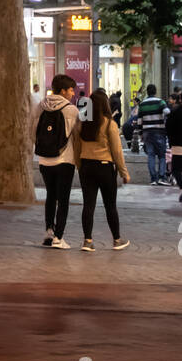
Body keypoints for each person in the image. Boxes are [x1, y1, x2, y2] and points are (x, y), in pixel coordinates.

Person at [74, 87, 131, 252]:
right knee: (110, 206)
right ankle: (117, 240)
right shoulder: (109, 124)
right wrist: (124, 173)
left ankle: (87, 241)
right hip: (105, 168)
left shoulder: (83, 123)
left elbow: (76, 146)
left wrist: (79, 165)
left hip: (86, 166)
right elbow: (117, 151)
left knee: (88, 205)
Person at [31, 74, 80, 248]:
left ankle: (49, 232)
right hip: (64, 159)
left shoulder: (40, 107)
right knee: (63, 199)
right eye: (71, 89)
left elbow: (33, 131)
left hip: (44, 160)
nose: (73, 93)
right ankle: (59, 237)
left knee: (51, 195)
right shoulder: (72, 110)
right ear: (63, 90)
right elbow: (77, 136)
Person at [137, 84, 172, 186]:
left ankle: (153, 179)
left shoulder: (142, 104)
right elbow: (167, 111)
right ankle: (161, 177)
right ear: (155, 91)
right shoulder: (160, 102)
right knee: (162, 155)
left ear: (147, 92)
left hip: (147, 133)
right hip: (159, 131)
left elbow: (139, 121)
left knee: (151, 156)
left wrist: (141, 134)